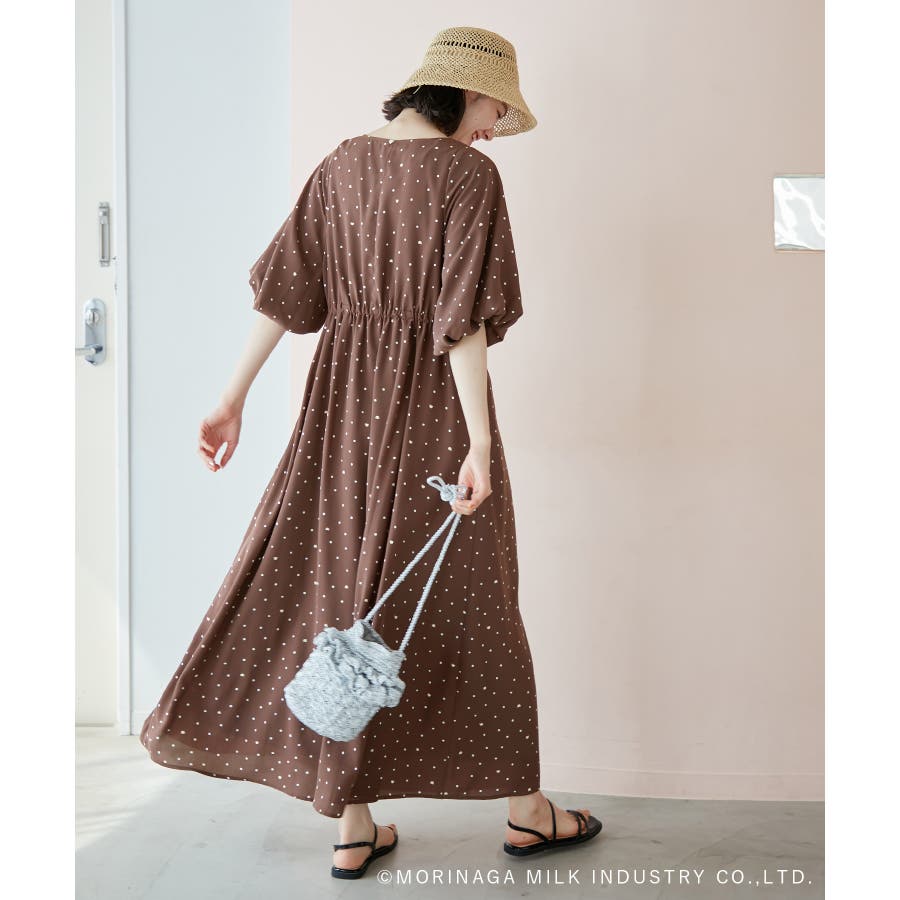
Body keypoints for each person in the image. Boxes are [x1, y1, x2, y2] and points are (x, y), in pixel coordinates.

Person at [139, 25, 602, 880]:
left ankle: (354, 825)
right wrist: (480, 442)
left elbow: (287, 291)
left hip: (341, 408)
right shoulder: (468, 177)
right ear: (469, 89)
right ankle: (527, 811)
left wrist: (232, 397)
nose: (495, 129)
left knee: (340, 587)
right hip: (431, 406)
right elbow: (461, 323)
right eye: (496, 110)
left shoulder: (341, 164)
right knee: (476, 602)